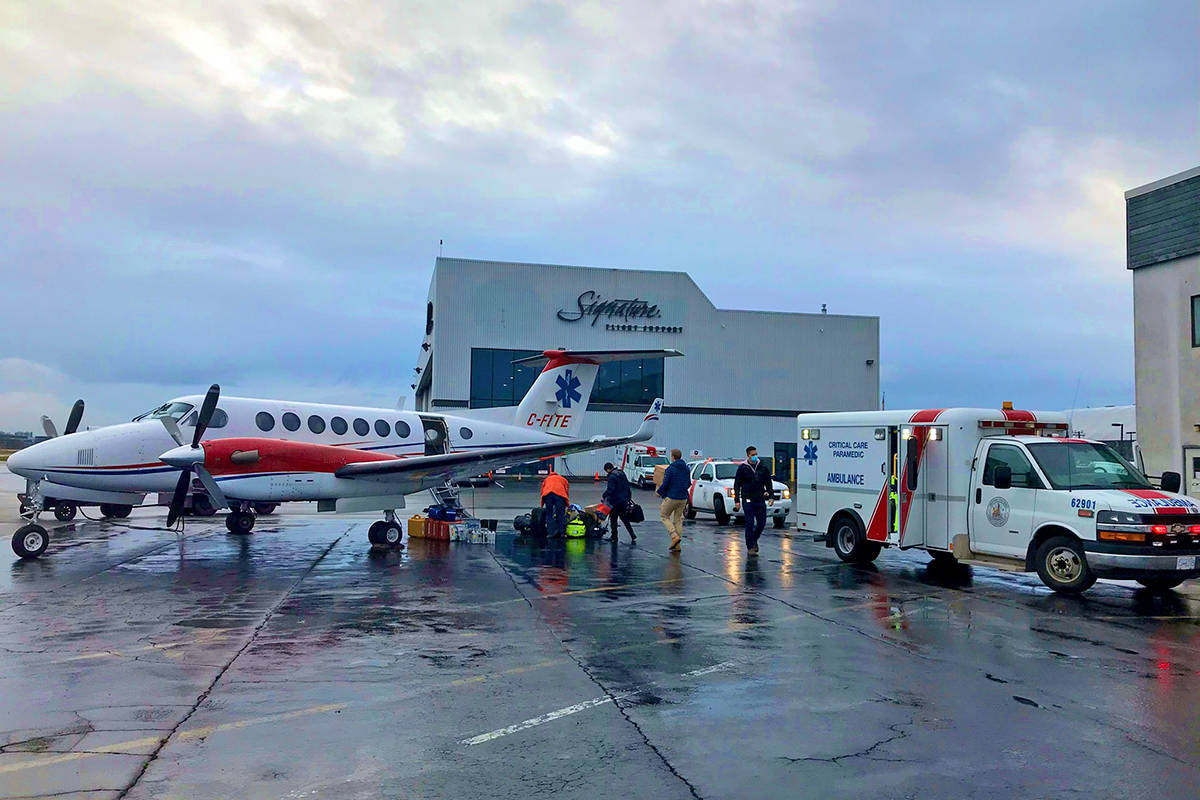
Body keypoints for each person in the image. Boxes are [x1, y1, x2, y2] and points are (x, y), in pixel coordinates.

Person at [734, 445, 776, 556]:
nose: (755, 456)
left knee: (762, 523)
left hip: (759, 499)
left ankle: (754, 539)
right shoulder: (743, 468)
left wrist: (771, 496)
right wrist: (737, 500)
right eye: (753, 455)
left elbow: (768, 483)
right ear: (748, 455)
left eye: (756, 454)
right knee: (750, 523)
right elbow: (737, 484)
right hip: (748, 499)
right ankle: (750, 547)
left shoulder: (762, 467)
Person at [656, 448, 690, 552]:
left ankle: (674, 536)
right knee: (678, 520)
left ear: (673, 457)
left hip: (672, 497)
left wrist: (659, 492)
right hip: (683, 497)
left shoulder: (670, 469)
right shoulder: (686, 469)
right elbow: (689, 483)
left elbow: (665, 483)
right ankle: (677, 545)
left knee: (664, 516)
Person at [602, 462, 637, 543]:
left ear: (608, 469)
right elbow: (627, 487)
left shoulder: (612, 477)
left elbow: (610, 489)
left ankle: (614, 537)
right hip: (624, 501)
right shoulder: (621, 473)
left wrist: (604, 495)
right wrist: (628, 498)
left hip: (615, 502)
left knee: (613, 519)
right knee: (624, 518)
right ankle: (632, 534)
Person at [540, 468, 569, 538]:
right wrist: (567, 503)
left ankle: (550, 533)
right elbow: (566, 490)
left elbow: (542, 490)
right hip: (560, 495)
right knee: (561, 514)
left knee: (549, 514)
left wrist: (542, 503)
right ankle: (562, 533)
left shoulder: (546, 479)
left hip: (548, 495)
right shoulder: (563, 479)